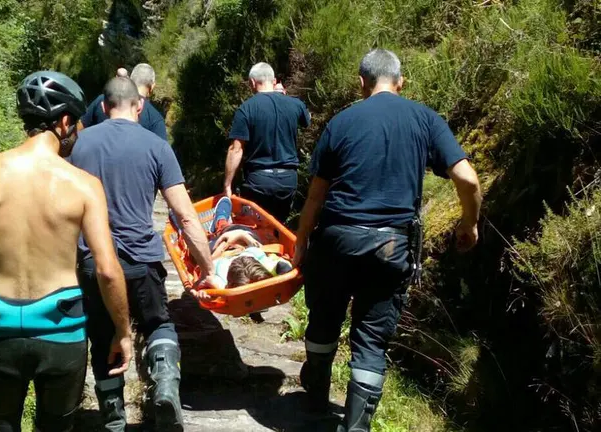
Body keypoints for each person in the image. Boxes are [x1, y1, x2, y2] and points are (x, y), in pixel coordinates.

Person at [293, 49, 482, 432]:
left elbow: (316, 196)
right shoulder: (425, 120)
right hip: (391, 246)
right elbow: (469, 180)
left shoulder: (341, 122)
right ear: (401, 82)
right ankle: (357, 425)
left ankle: (315, 398)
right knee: (371, 339)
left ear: (361, 82)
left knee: (325, 318)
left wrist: (300, 243)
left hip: (336, 241)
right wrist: (469, 223)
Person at [0, 71, 132, 432]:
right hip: (63, 328)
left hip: (0, 326)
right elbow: (107, 270)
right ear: (63, 122)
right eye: (75, 123)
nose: (77, 132)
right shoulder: (84, 185)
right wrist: (122, 331)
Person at [69, 77, 219, 432]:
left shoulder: (78, 145)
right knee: (157, 325)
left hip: (93, 262)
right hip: (141, 261)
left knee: (103, 337)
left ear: (104, 107)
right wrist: (208, 266)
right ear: (139, 106)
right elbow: (184, 215)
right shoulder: (156, 146)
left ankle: (114, 420)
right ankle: (165, 383)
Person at [223, 62, 311, 223]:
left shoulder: (246, 108)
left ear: (252, 83)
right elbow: (307, 120)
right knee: (278, 227)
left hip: (258, 181)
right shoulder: (295, 105)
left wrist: (227, 185)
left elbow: (236, 150)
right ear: (274, 81)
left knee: (255, 229)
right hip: (288, 180)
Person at [77, 63, 167, 141]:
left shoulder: (103, 100)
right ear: (152, 87)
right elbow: (162, 155)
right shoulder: (156, 119)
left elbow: (78, 129)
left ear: (131, 80)